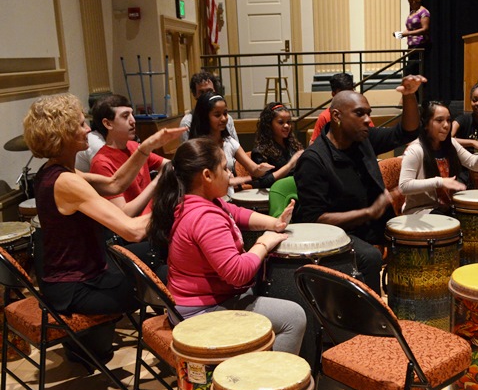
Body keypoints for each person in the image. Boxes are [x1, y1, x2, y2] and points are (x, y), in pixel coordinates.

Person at [23, 93, 184, 364]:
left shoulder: (56, 171)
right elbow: (131, 231)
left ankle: (91, 347)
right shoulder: (65, 182)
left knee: (152, 255)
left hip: (76, 276)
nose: (87, 129)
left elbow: (114, 184)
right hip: (75, 288)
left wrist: (146, 147)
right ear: (61, 133)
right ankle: (179, 348)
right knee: (154, 283)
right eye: (79, 124)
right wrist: (172, 205)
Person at [147, 137, 306, 354]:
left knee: (265, 286)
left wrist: (274, 223)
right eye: (224, 168)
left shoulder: (198, 200)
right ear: (207, 175)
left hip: (197, 302)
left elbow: (235, 213)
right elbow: (238, 273)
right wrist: (263, 243)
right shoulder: (204, 218)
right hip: (200, 313)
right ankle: (268, 381)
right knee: (293, 317)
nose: (230, 174)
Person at [294, 75, 427, 294]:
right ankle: (370, 320)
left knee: (414, 240)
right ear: (336, 116)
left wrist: (410, 96)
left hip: (368, 226)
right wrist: (368, 212)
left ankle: (407, 303)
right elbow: (313, 220)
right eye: (359, 113)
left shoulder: (363, 139)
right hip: (335, 234)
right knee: (370, 257)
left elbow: (407, 131)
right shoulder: (314, 160)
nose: (367, 120)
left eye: (368, 113)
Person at [399, 101, 478, 215]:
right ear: (426, 124)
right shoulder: (415, 150)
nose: (446, 125)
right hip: (420, 210)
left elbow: (474, 165)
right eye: (439, 120)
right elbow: (404, 186)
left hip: (445, 207)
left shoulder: (451, 144)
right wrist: (439, 182)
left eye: (448, 120)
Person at [90, 94, 168, 216]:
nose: (133, 121)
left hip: (153, 219)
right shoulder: (101, 163)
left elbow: (167, 165)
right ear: (108, 124)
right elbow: (124, 213)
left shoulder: (134, 146)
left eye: (132, 114)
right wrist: (156, 183)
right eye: (125, 116)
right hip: (136, 228)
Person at [189, 93, 273, 194]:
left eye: (225, 113)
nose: (224, 119)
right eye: (217, 115)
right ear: (204, 117)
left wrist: (261, 169)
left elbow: (254, 169)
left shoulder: (229, 142)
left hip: (228, 199)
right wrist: (229, 180)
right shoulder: (197, 147)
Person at [251, 102, 304, 189]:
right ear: (269, 125)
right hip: (276, 194)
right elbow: (264, 182)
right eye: (280, 122)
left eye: (288, 122)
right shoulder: (260, 151)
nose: (287, 126)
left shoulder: (293, 144)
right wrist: (290, 165)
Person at [310, 73, 374, 144]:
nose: (347, 98)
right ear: (333, 94)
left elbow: (371, 139)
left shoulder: (362, 113)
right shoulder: (325, 117)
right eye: (342, 94)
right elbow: (314, 143)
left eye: (349, 93)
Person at [180, 71, 239, 142]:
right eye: (201, 92)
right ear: (194, 95)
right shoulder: (187, 122)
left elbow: (235, 146)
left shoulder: (227, 119)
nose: (206, 95)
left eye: (209, 91)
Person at [400, 0, 431, 79]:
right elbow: (409, 29)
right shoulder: (412, 12)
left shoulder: (423, 12)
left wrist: (408, 34)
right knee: (410, 73)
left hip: (420, 46)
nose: (410, 3)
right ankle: (412, 93)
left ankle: (419, 92)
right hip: (411, 47)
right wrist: (401, 34)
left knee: (412, 72)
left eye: (411, 1)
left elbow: (425, 29)